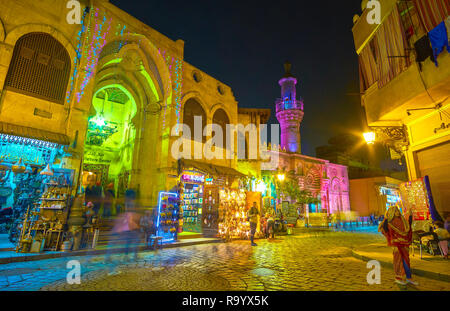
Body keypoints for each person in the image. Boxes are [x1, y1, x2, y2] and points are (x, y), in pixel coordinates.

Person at [379, 204, 418, 286]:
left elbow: (408, 228)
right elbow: (385, 231)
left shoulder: (403, 220)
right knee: (398, 261)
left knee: (406, 261)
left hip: (405, 244)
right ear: (392, 212)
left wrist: (410, 216)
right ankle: (398, 278)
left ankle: (409, 278)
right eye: (395, 211)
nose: (397, 212)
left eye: (397, 211)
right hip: (397, 245)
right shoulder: (389, 222)